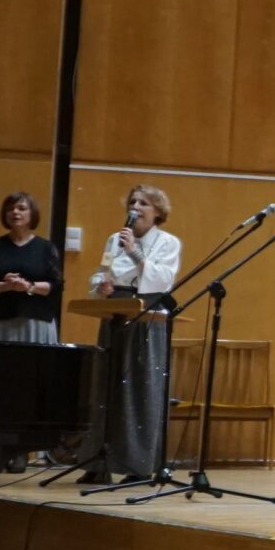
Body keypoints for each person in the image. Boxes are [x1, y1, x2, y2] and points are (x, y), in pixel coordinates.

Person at [87, 185, 181, 482]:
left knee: (139, 388)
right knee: (106, 385)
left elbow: (163, 279)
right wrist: (101, 285)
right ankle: (98, 462)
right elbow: (103, 270)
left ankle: (137, 466)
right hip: (115, 311)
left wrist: (134, 252)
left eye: (143, 203)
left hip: (146, 315)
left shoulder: (168, 242)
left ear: (158, 211)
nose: (135, 207)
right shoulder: (114, 239)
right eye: (132, 201)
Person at [0, 192, 64, 344]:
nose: (15, 212)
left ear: (32, 214)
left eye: (21, 208)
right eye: (10, 209)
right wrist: (7, 286)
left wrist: (28, 286)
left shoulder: (46, 248)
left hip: (37, 320)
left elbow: (56, 285)